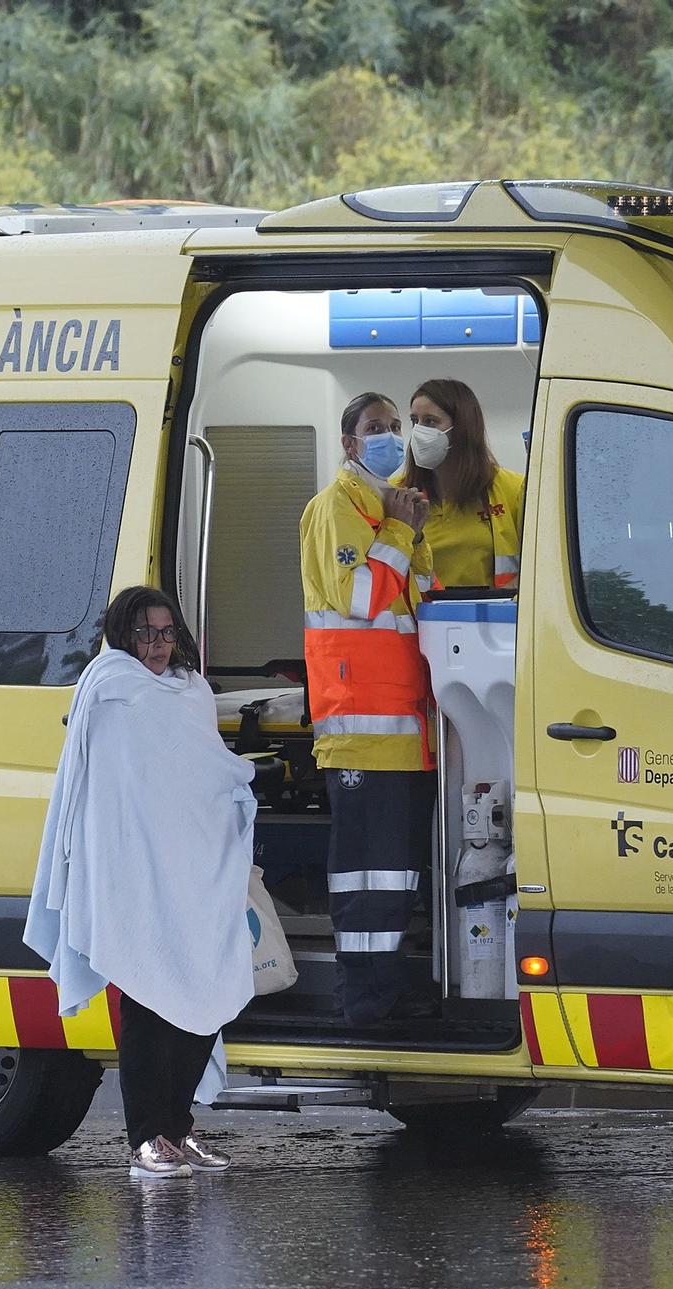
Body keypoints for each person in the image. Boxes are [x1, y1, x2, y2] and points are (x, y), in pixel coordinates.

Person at [25, 586, 260, 1180]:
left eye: (164, 633)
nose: (156, 646)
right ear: (122, 635)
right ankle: (146, 1138)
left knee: (207, 990)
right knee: (148, 999)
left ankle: (178, 1130)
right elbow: (102, 785)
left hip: (194, 865)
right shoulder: (110, 688)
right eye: (144, 634)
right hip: (133, 867)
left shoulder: (193, 691)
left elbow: (199, 770)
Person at [299, 392, 438, 1026]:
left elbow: (421, 600)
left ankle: (389, 991)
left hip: (407, 731)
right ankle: (365, 1004)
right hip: (360, 732)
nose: (390, 437)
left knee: (399, 875)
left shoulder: (392, 506)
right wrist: (402, 531)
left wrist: (408, 528)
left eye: (395, 427)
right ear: (350, 445)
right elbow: (362, 598)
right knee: (367, 878)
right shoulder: (337, 508)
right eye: (375, 429)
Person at [398, 378, 524, 591]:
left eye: (430, 421)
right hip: (423, 620)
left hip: (494, 617)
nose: (419, 432)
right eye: (414, 421)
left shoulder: (513, 489)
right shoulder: (399, 494)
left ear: (462, 427)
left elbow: (541, 566)